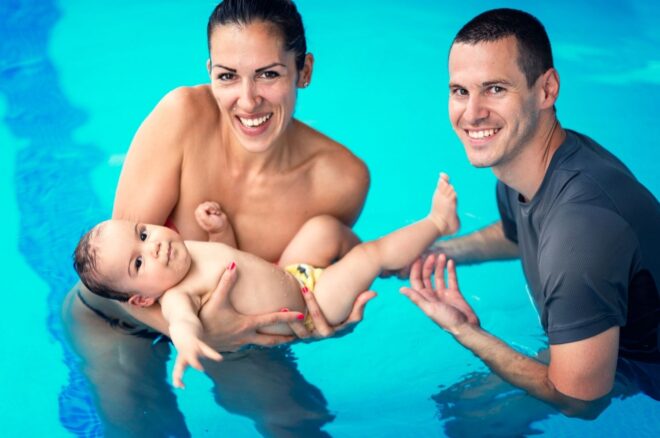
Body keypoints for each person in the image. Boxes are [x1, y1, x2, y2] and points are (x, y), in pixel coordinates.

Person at [61, 0, 373, 435]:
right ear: (210, 71)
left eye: (269, 74)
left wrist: (328, 322)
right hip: (119, 319)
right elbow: (120, 274)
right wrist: (206, 333)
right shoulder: (182, 118)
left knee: (299, 421)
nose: (247, 101)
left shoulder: (341, 180)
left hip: (240, 340)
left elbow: (301, 285)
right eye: (227, 76)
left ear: (303, 70)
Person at [401, 8, 660, 419]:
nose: (472, 113)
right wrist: (438, 253)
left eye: (495, 89)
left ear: (547, 89)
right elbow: (515, 234)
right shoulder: (529, 161)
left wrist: (465, 332)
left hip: (633, 368)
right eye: (459, 91)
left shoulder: (579, 233)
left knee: (470, 417)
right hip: (616, 339)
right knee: (462, 403)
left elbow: (581, 400)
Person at [74, 175, 458, 388]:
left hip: (293, 275)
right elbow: (182, 322)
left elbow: (230, 261)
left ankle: (391, 262)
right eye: (138, 262)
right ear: (142, 301)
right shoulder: (178, 294)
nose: (154, 245)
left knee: (322, 228)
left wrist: (219, 231)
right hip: (311, 307)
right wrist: (187, 342)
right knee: (366, 256)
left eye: (143, 233)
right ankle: (437, 224)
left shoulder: (182, 249)